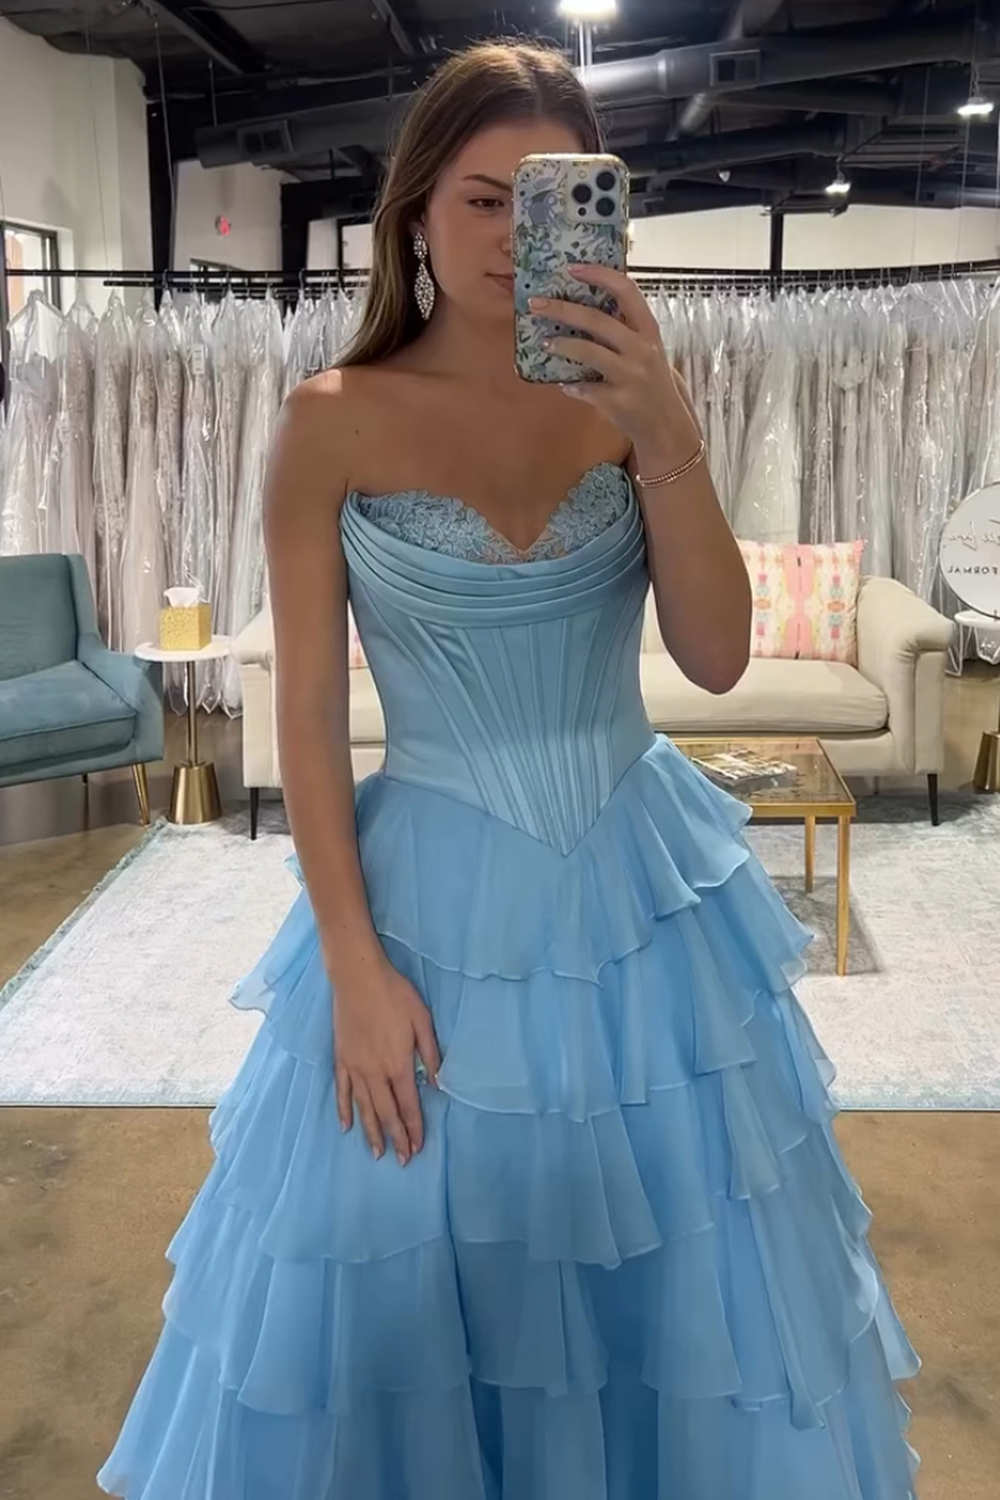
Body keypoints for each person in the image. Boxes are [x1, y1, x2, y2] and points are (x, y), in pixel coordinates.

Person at [98, 38, 921, 1500]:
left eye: (546, 199)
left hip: (642, 901)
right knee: (411, 1263)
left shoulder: (626, 398)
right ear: (415, 210)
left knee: (684, 1269)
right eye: (482, 199)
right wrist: (351, 966)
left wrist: (666, 427)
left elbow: (715, 657)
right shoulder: (331, 418)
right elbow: (304, 718)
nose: (506, 235)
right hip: (426, 901)